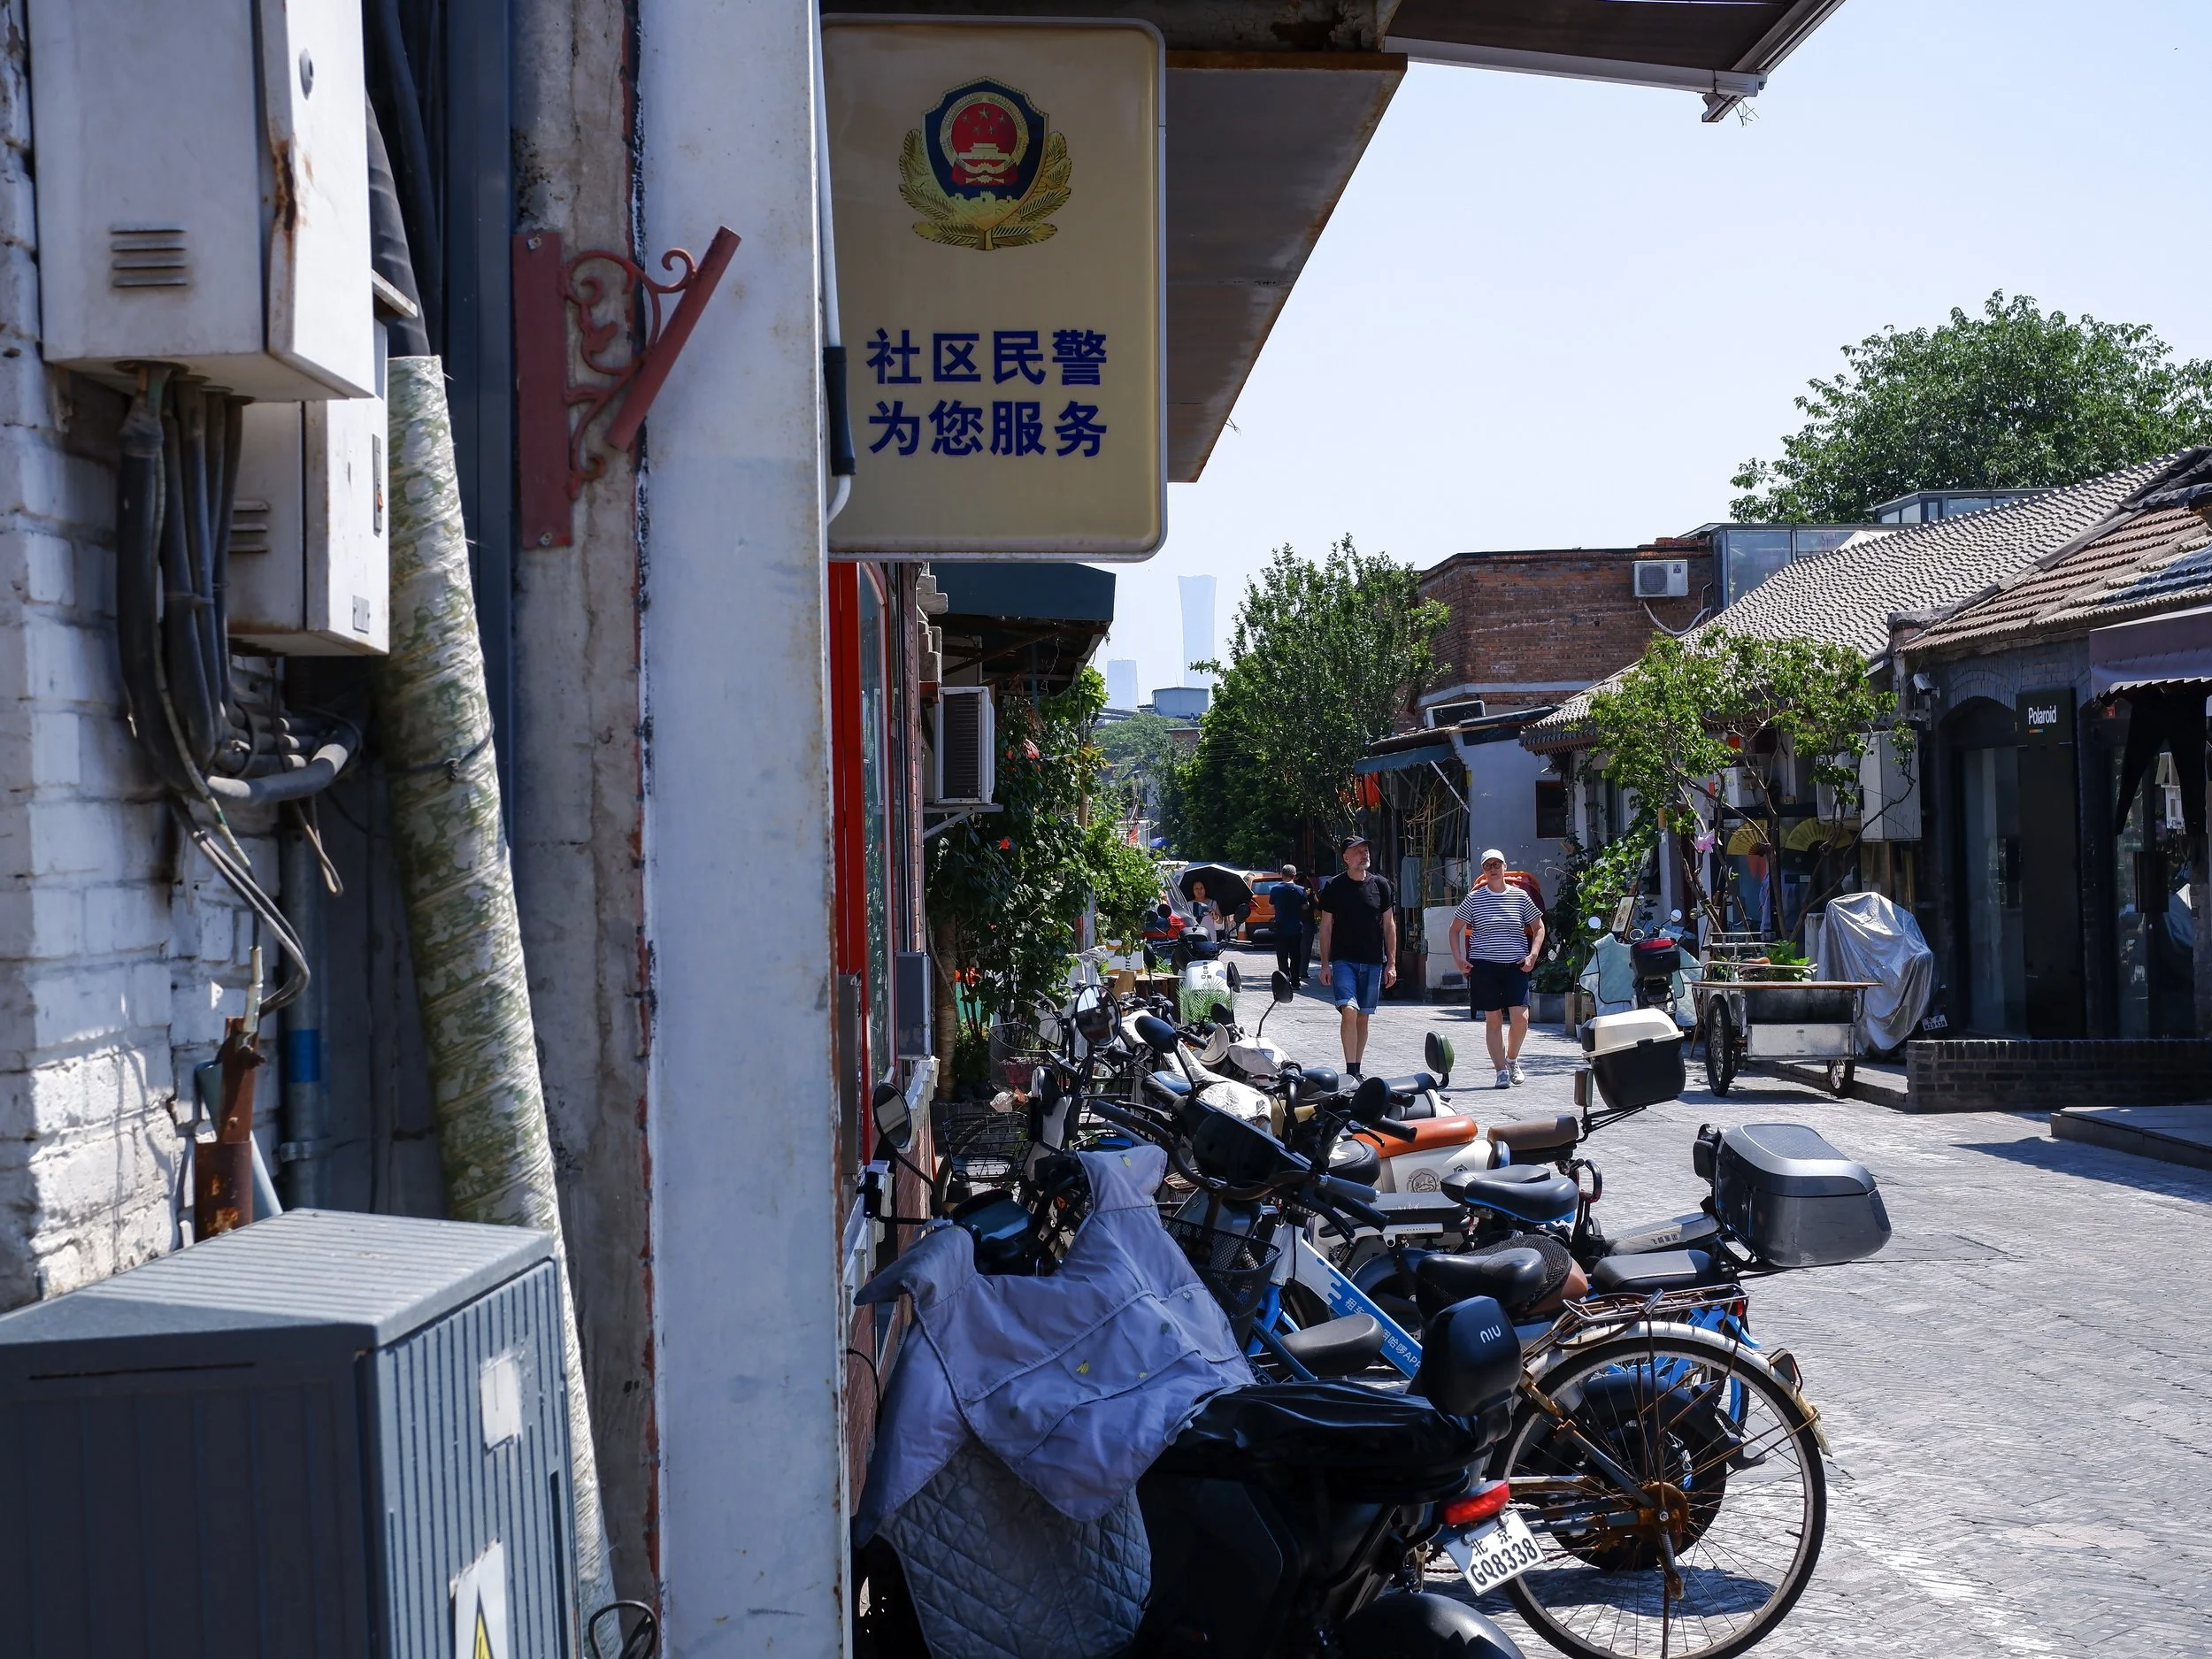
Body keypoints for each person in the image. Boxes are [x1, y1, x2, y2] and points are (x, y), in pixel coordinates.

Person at [1449, 849, 1546, 1089]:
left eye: (1497, 864)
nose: (1493, 869)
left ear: (1505, 866)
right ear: (1483, 870)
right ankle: (1500, 1071)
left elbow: (1539, 927)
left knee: (1521, 1018)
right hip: (1485, 966)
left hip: (1515, 965)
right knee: (1492, 1019)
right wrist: (1459, 958)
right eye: (1488, 866)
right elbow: (1454, 929)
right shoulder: (1474, 898)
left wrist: (1533, 954)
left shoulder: (1521, 897)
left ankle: (1512, 1060)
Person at [1315, 835, 1396, 1078]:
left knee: (1363, 1016)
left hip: (1372, 960)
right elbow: (1326, 926)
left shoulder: (1382, 885)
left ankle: (1357, 1069)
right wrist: (1325, 964)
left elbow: (1389, 925)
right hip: (1343, 960)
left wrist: (1391, 963)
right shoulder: (1334, 887)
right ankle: (1350, 1069)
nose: (1364, 855)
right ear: (1346, 858)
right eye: (1358, 851)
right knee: (1348, 1009)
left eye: (1365, 850)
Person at [1267, 864, 1308, 985]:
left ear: (1282, 874)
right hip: (1296, 927)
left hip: (1280, 927)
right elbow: (1305, 907)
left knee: (1282, 956)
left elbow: (1271, 906)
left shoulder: (1275, 889)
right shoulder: (1301, 890)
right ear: (1294, 876)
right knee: (1296, 955)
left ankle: (1284, 980)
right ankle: (1295, 981)